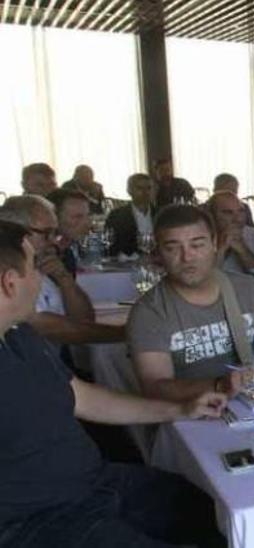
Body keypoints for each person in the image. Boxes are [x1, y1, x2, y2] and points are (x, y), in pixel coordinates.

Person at [0, 220, 228, 548]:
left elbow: (83, 397)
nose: (39, 278)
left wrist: (180, 408)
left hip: (96, 482)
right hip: (39, 520)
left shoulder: (21, 335)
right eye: (33, 268)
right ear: (10, 283)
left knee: (213, 510)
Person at [127, 205, 254, 403]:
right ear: (159, 252)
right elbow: (155, 387)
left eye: (197, 245)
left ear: (215, 243)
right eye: (172, 248)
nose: (187, 257)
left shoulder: (248, 289)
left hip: (251, 404)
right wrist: (220, 385)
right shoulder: (150, 310)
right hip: (188, 415)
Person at [0, 197, 124, 345]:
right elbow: (45, 328)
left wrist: (65, 280)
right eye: (46, 233)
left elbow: (84, 320)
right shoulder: (10, 274)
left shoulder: (43, 267)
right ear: (15, 230)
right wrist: (127, 333)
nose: (53, 241)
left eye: (55, 233)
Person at [208, 192, 254, 276]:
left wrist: (242, 250)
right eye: (228, 213)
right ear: (212, 215)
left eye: (241, 211)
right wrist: (221, 249)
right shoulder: (200, 237)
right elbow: (203, 278)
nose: (237, 219)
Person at [106, 173, 157, 256]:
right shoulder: (117, 216)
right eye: (139, 188)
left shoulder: (161, 213)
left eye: (149, 188)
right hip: (128, 263)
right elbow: (111, 245)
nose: (145, 192)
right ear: (129, 191)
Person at [46, 189, 92, 274]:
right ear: (54, 218)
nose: (88, 223)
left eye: (88, 215)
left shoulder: (67, 253)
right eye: (77, 217)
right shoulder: (40, 257)